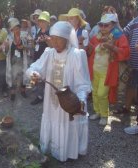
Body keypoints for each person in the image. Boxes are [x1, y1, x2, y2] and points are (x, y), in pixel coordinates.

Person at [26, 21, 91, 162]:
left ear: (67, 39)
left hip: (69, 104)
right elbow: (33, 68)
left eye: (58, 38)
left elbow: (83, 84)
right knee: (51, 119)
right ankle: (50, 147)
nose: (54, 42)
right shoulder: (49, 53)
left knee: (66, 123)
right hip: (50, 104)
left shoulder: (76, 55)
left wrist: (80, 100)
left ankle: (67, 152)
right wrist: (33, 74)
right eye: (52, 38)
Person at [88, 14, 130, 125]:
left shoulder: (118, 36)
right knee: (95, 92)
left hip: (107, 72)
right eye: (100, 25)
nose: (102, 27)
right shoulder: (96, 36)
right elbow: (89, 51)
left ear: (113, 25)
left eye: (106, 25)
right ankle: (97, 112)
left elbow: (125, 52)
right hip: (94, 70)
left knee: (102, 94)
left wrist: (112, 47)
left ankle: (104, 115)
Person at [118, 0, 138, 114]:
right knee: (131, 84)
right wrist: (116, 23)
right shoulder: (137, 20)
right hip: (135, 60)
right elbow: (123, 33)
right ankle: (127, 107)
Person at [6, 18, 30, 100]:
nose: (16, 30)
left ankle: (23, 91)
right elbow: (5, 51)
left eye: (18, 28)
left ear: (20, 28)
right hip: (12, 61)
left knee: (23, 76)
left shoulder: (24, 37)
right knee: (13, 76)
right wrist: (5, 46)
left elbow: (29, 48)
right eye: (14, 29)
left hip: (22, 61)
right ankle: (13, 93)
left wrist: (24, 47)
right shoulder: (9, 38)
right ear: (12, 30)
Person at [30, 11, 50, 105]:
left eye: (42, 21)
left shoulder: (50, 32)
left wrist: (46, 40)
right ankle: (39, 96)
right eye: (40, 21)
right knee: (37, 76)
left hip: (46, 58)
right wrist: (32, 41)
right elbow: (35, 43)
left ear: (47, 22)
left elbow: (52, 46)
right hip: (37, 57)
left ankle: (47, 97)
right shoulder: (39, 31)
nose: (40, 22)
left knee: (46, 78)